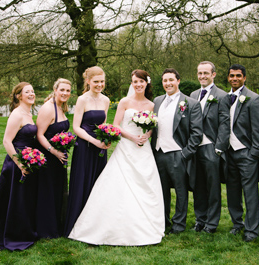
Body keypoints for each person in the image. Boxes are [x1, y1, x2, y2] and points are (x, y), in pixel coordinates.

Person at [68, 70, 165, 245]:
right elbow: (115, 125)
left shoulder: (151, 105)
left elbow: (152, 125)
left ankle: (145, 221)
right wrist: (132, 137)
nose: (138, 85)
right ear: (132, 83)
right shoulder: (124, 101)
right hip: (126, 146)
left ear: (146, 83)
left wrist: (147, 135)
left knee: (145, 183)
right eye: (135, 81)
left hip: (143, 149)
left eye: (141, 82)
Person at [0, 82, 39, 251]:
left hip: (27, 161)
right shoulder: (17, 114)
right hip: (16, 163)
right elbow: (7, 141)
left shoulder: (28, 113)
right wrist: (20, 163)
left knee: (22, 200)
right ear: (18, 96)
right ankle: (12, 235)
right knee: (13, 200)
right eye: (27, 92)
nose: (31, 94)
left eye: (33, 91)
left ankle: (23, 231)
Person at [217, 64, 259, 242]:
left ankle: (252, 230)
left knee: (250, 193)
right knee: (233, 192)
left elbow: (258, 131)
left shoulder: (254, 99)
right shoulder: (225, 98)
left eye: (238, 76)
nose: (234, 78)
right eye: (231, 76)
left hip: (247, 154)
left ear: (244, 78)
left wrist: (253, 155)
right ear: (228, 78)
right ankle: (237, 224)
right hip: (229, 154)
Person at [151, 68, 203, 234]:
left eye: (171, 80)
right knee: (161, 191)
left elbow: (197, 133)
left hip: (177, 154)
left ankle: (179, 223)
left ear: (178, 81)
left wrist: (185, 154)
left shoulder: (190, 103)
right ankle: (163, 222)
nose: (168, 83)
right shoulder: (157, 101)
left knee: (181, 191)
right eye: (165, 80)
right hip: (159, 153)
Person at [65, 66, 110, 236]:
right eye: (96, 81)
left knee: (98, 183)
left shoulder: (106, 100)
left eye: (102, 81)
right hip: (85, 146)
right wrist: (93, 141)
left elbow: (103, 124)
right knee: (83, 182)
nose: (99, 85)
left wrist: (107, 137)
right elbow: (76, 127)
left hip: (100, 148)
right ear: (88, 81)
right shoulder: (82, 100)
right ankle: (78, 222)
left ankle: (95, 223)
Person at [188, 61, 227, 234]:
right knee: (198, 186)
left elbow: (225, 123)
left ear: (213, 74)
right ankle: (200, 219)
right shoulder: (193, 94)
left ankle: (212, 223)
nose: (202, 76)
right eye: (199, 73)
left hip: (211, 147)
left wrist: (219, 148)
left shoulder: (222, 95)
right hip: (194, 148)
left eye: (206, 73)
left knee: (212, 187)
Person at [35, 78, 72, 239]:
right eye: (62, 90)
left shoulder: (61, 107)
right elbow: (39, 134)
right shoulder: (48, 108)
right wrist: (53, 151)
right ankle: (46, 229)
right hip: (48, 158)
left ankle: (57, 224)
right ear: (55, 90)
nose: (64, 93)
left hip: (59, 158)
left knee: (58, 190)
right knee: (48, 191)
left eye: (68, 91)